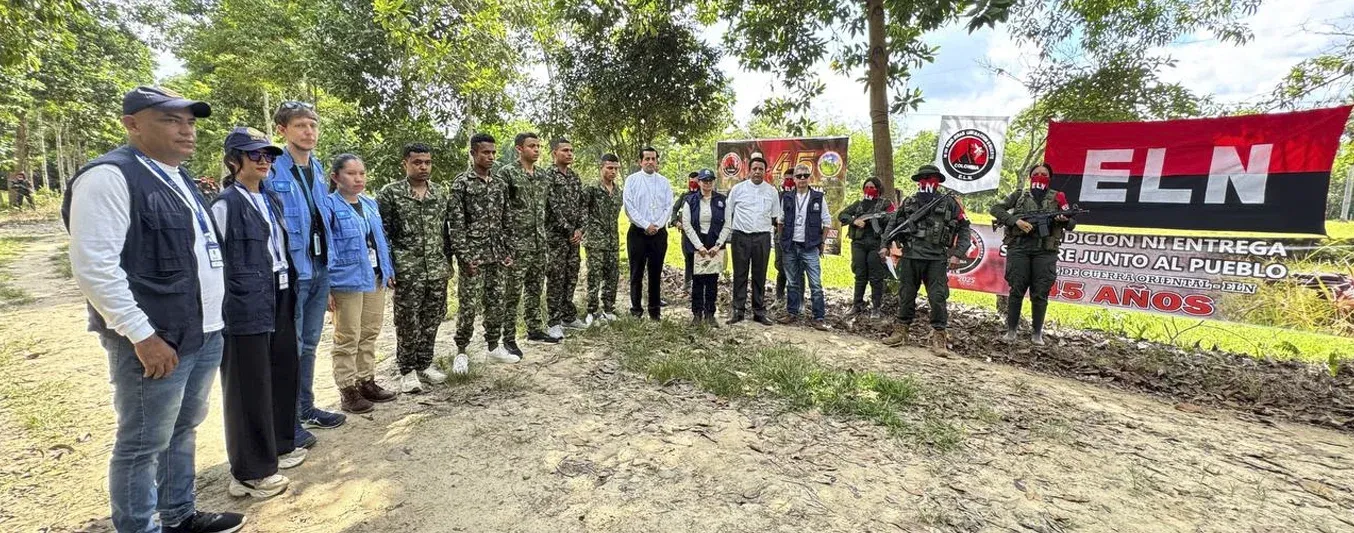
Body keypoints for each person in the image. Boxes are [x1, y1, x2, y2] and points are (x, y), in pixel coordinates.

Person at [64, 86, 244, 533]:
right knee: (142, 443)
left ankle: (179, 514)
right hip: (155, 338)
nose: (185, 130)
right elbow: (94, 267)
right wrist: (141, 335)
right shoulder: (110, 177)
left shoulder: (177, 177)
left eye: (189, 121)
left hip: (200, 330)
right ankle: (138, 526)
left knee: (182, 428)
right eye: (169, 120)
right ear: (132, 124)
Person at [207, 127, 301, 500]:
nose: (264, 161)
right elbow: (217, 261)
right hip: (244, 303)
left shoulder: (272, 200)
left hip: (278, 295)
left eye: (269, 155)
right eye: (255, 155)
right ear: (234, 161)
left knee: (281, 371)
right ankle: (249, 471)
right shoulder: (225, 204)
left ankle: (278, 446)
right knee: (248, 385)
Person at [262, 100, 346, 448]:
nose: (308, 132)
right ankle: (284, 419)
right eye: (300, 126)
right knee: (289, 345)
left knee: (310, 343)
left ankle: (305, 407)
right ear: (282, 130)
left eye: (312, 125)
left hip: (319, 267)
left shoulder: (317, 168)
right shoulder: (272, 167)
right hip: (291, 270)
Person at [377, 143, 454, 393]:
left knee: (433, 318)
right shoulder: (391, 193)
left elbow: (445, 232)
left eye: (427, 162)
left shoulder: (440, 193)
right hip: (407, 270)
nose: (423, 167)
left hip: (436, 268)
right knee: (408, 321)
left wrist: (448, 263)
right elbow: (382, 234)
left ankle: (425, 363)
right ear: (405, 164)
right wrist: (388, 269)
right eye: (417, 162)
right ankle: (407, 369)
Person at [327, 154, 398, 410]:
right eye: (351, 173)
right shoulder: (329, 206)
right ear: (336, 177)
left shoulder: (369, 204)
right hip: (346, 281)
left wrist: (387, 269)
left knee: (369, 332)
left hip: (374, 276)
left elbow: (379, 241)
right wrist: (327, 286)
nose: (358, 179)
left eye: (362, 173)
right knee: (347, 336)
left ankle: (366, 380)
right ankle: (348, 389)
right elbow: (326, 248)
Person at [879, 164, 972, 354]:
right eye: (924, 178)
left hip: (936, 258)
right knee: (906, 295)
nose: (927, 182)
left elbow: (964, 228)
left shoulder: (950, 203)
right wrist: (884, 245)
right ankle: (901, 330)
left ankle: (939, 336)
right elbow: (893, 223)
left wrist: (957, 252)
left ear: (937, 181)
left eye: (931, 178)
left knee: (938, 298)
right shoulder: (909, 202)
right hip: (911, 256)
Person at [449, 133, 519, 371]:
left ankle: (493, 346)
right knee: (468, 305)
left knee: (496, 302)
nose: (490, 157)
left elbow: (506, 219)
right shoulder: (461, 184)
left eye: (493, 153)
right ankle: (461, 351)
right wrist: (465, 257)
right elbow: (456, 225)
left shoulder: (499, 184)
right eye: (485, 152)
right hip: (474, 258)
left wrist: (508, 249)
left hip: (497, 255)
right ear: (473, 154)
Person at [989, 163, 1074, 345]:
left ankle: (1037, 334)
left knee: (1040, 292)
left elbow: (1071, 222)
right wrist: (1015, 221)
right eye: (1036, 173)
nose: (1040, 176)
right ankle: (1011, 330)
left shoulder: (1058, 197)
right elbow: (996, 209)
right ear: (1030, 177)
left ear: (1050, 177)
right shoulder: (1019, 195)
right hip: (1019, 248)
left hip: (1045, 251)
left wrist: (1064, 219)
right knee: (1016, 289)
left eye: (1044, 174)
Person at [500, 132, 560, 348]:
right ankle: (507, 338)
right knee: (512, 293)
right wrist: (505, 246)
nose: (536, 150)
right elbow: (501, 211)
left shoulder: (543, 176)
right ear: (519, 149)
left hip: (539, 243)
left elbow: (548, 208)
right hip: (517, 245)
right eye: (531, 146)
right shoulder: (507, 174)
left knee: (535, 289)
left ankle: (535, 330)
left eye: (538, 146)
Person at [716, 153, 781, 326]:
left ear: (765, 171)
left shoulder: (772, 191)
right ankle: (738, 310)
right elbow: (728, 214)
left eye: (761, 169)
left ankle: (759, 312)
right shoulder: (738, 189)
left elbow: (775, 217)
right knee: (740, 274)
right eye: (754, 169)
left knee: (760, 275)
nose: (757, 172)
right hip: (740, 237)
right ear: (749, 170)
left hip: (762, 238)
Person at [777, 164, 832, 330]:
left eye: (805, 176)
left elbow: (827, 222)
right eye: (798, 176)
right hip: (791, 246)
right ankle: (792, 312)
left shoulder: (818, 197)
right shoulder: (787, 197)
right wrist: (782, 240)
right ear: (793, 179)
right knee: (792, 282)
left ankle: (819, 317)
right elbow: (780, 220)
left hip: (810, 247)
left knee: (815, 283)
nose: (802, 179)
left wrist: (821, 242)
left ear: (810, 178)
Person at [622, 146, 673, 320]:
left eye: (653, 159)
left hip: (658, 233)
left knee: (655, 272)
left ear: (657, 161)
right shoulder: (632, 180)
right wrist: (645, 225)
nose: (650, 162)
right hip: (638, 232)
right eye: (647, 159)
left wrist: (657, 225)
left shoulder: (664, 182)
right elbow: (629, 207)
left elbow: (668, 206)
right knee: (636, 272)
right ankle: (636, 310)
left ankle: (654, 310)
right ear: (640, 162)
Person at [545, 137, 589, 331]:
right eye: (565, 150)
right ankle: (553, 321)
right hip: (555, 237)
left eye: (571, 150)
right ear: (555, 153)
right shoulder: (547, 176)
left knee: (571, 275)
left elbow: (582, 206)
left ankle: (568, 316)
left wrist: (580, 229)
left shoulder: (574, 177)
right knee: (555, 277)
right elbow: (551, 206)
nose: (569, 154)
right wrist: (569, 229)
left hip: (574, 239)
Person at [838, 177, 890, 318]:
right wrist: (855, 221)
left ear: (878, 189)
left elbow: (893, 219)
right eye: (866, 186)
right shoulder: (859, 205)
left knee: (876, 276)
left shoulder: (885, 204)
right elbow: (842, 215)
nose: (868, 189)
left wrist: (881, 220)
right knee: (860, 274)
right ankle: (857, 304)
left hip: (876, 243)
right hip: (859, 243)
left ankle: (876, 307)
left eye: (872, 187)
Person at [681, 169, 726, 326]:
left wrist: (718, 244)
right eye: (704, 180)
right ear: (699, 182)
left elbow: (728, 224)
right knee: (698, 281)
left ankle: (710, 314)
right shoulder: (690, 200)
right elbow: (686, 224)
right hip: (696, 244)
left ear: (713, 182)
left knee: (712, 281)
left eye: (710, 180)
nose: (707, 183)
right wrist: (699, 246)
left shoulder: (721, 200)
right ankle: (697, 314)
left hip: (714, 244)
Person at [583, 154, 624, 324]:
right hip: (595, 240)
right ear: (601, 167)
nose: (613, 172)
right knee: (594, 276)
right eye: (609, 168)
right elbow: (583, 212)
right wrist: (584, 232)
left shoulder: (618, 192)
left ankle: (609, 308)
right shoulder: (591, 189)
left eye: (616, 168)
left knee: (612, 275)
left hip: (612, 240)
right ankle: (592, 311)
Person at [672, 172, 699, 294]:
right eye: (691, 181)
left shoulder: (703, 195)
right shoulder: (684, 196)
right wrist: (675, 221)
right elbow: (674, 209)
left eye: (696, 181)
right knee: (688, 258)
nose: (693, 183)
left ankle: (698, 285)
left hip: (700, 234)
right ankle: (687, 284)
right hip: (686, 233)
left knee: (700, 258)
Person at [772, 167, 795, 305]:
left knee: (795, 268)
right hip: (780, 235)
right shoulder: (777, 196)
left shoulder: (801, 196)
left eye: (791, 179)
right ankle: (779, 297)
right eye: (786, 179)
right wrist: (776, 220)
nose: (788, 182)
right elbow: (771, 215)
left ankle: (795, 299)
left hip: (797, 237)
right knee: (781, 266)